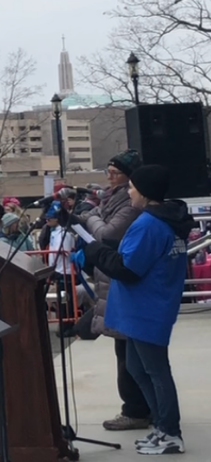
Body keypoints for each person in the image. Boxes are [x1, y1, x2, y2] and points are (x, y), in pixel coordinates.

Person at [83, 165, 194, 455]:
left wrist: (95, 251)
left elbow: (128, 268)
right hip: (139, 308)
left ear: (144, 192)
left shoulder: (149, 224)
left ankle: (171, 432)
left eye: (132, 187)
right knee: (136, 368)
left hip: (146, 308)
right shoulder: (163, 221)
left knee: (156, 371)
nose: (129, 191)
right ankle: (160, 425)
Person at [78, 148, 151, 432]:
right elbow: (100, 221)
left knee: (131, 354)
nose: (109, 177)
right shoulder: (112, 198)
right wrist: (92, 216)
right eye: (107, 171)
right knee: (125, 351)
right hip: (109, 281)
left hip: (121, 281)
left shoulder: (131, 203)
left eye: (115, 173)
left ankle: (136, 409)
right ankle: (140, 407)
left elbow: (108, 234)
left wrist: (89, 218)